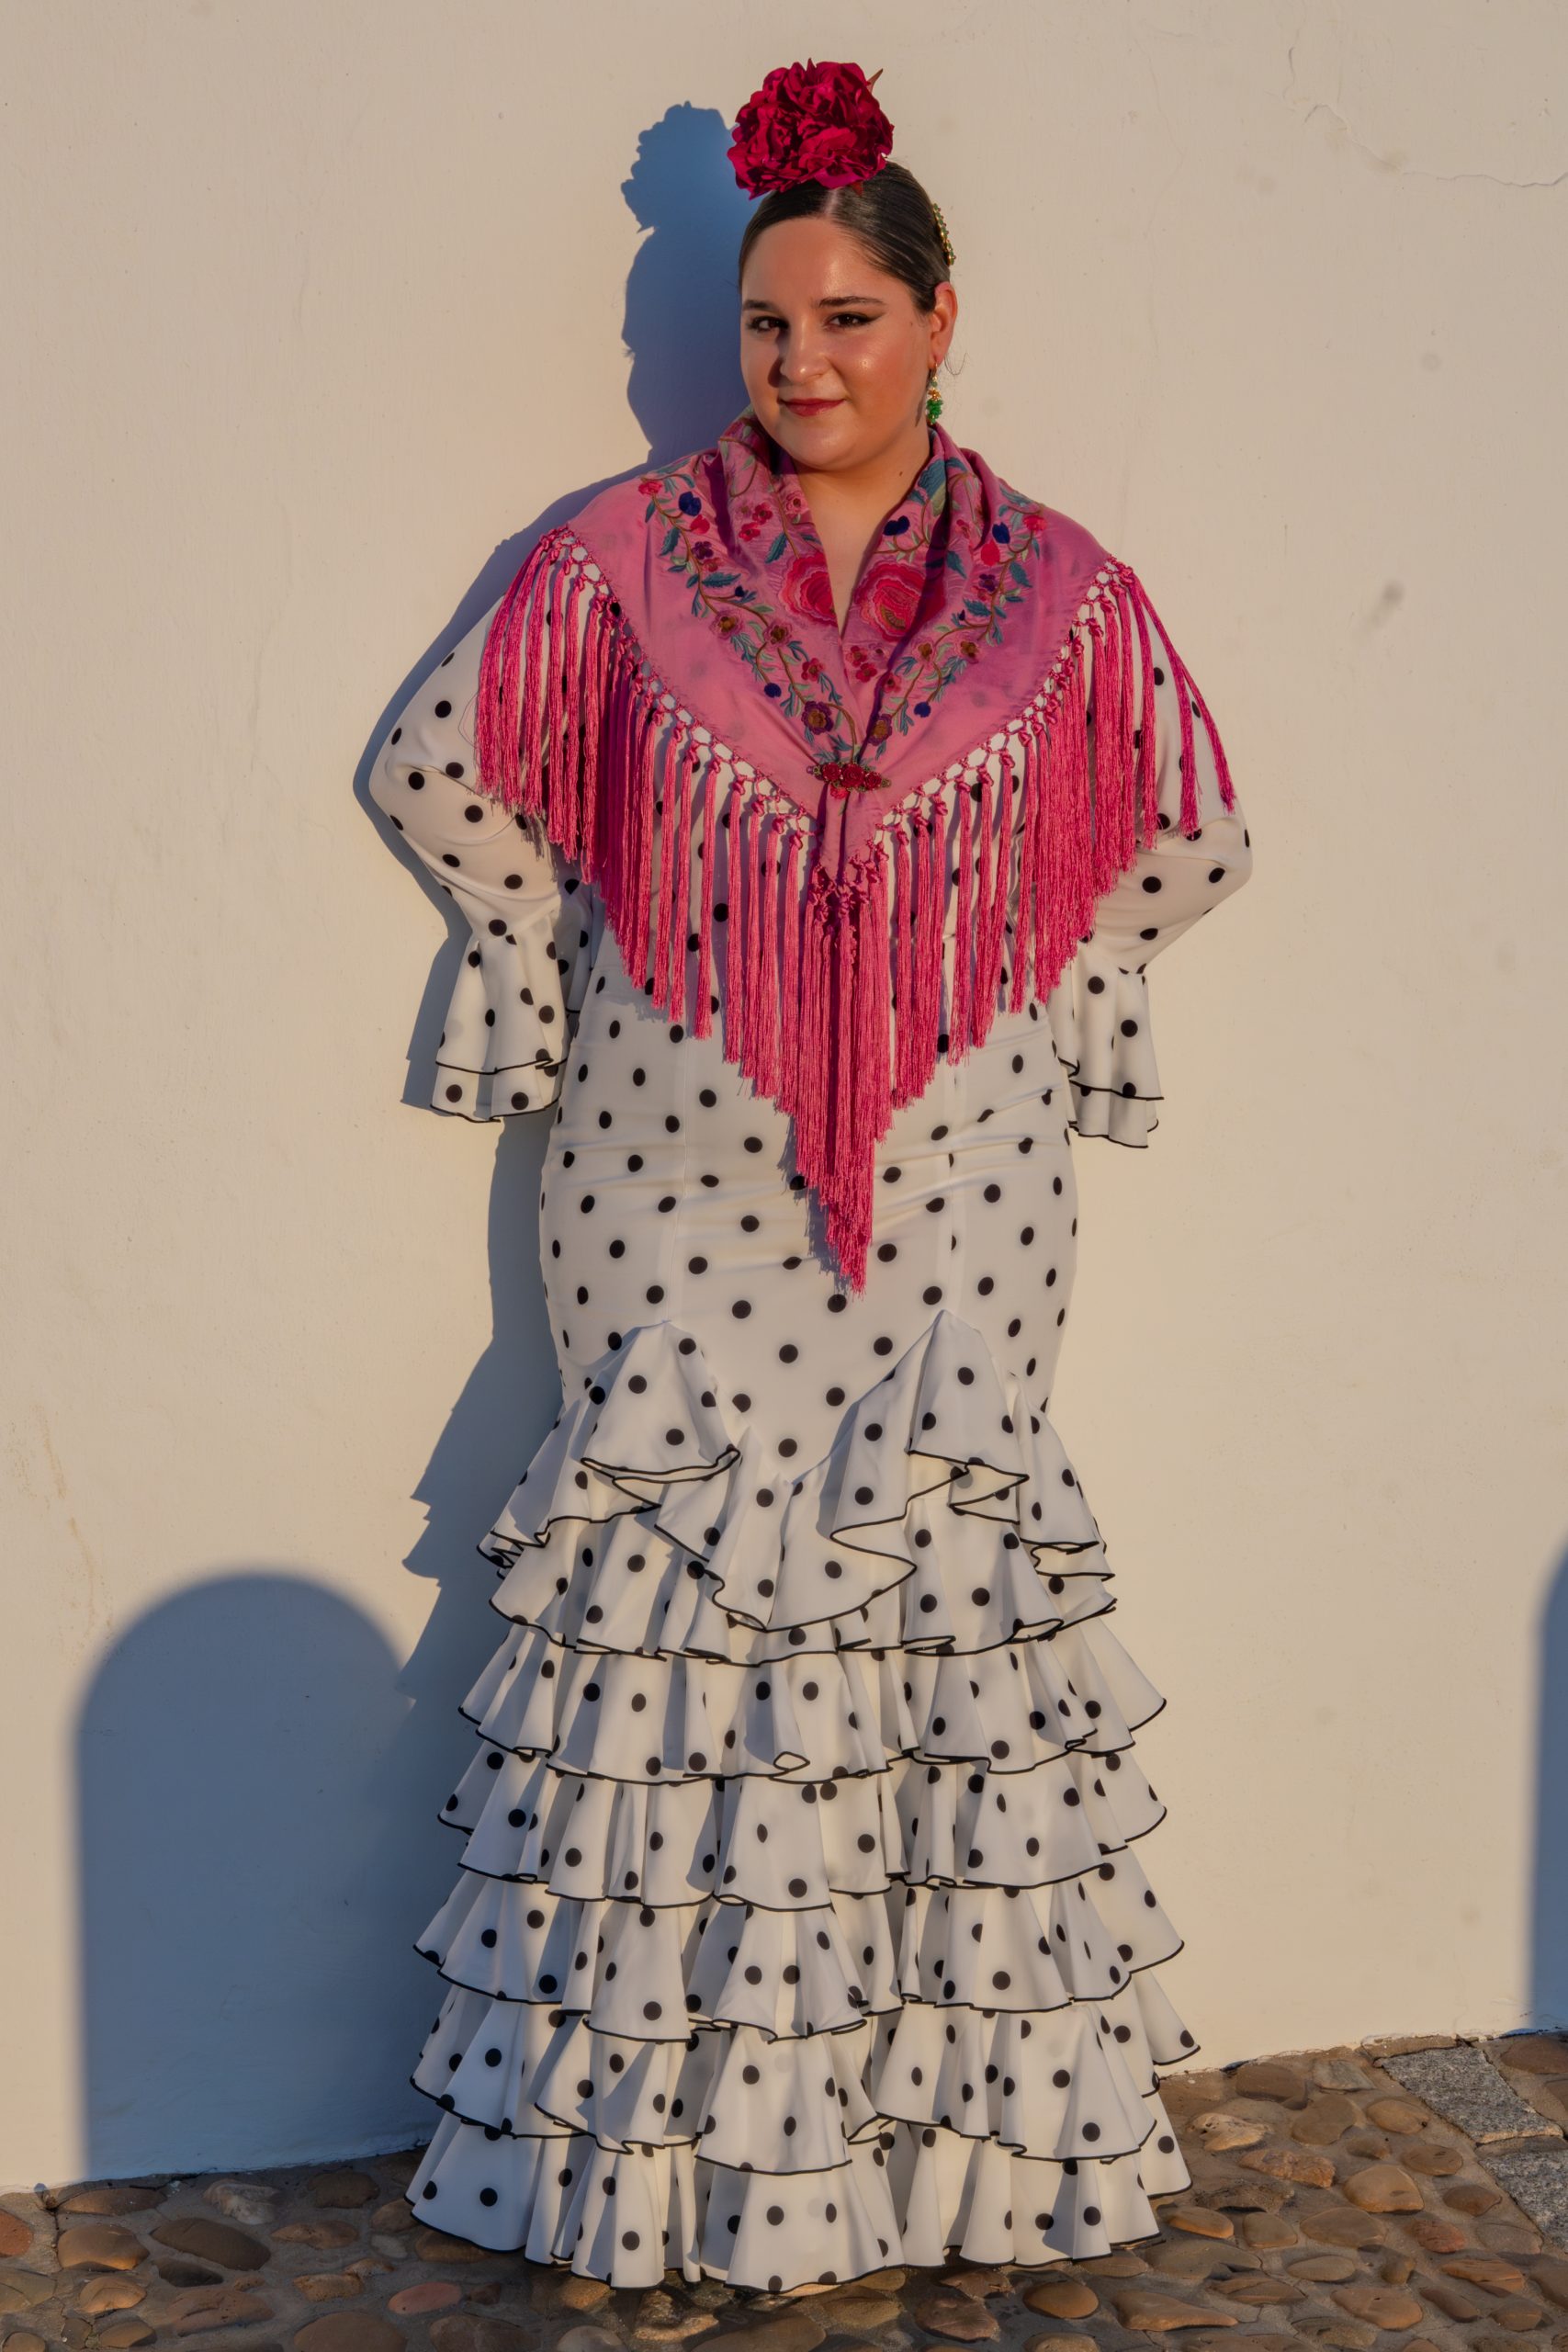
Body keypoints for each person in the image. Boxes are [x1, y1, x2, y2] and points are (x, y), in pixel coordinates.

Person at [367, 57, 1254, 2298]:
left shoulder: (1062, 593)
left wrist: (1041, 963)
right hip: (662, 1176)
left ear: (940, 320)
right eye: (767, 323)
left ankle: (945, 2162)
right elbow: (437, 766)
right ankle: (657, 2166)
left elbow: (1190, 826)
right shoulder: (613, 561)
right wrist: (538, 942)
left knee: (934, 1581)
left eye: (848, 317)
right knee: (673, 1587)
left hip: (962, 1181)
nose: (801, 361)